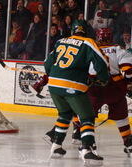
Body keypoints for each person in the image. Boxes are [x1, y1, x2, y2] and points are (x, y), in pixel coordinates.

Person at [44, 20, 109, 166]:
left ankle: (56, 146)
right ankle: (87, 149)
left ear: (73, 31)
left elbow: (47, 63)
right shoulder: (88, 42)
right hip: (72, 85)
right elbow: (102, 63)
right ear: (86, 31)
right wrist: (104, 79)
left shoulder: (61, 41)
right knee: (87, 116)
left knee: (65, 114)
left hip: (54, 85)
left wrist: (54, 76)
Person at [87, 28, 132, 155]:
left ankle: (88, 143)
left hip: (95, 88)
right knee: (121, 117)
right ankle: (128, 143)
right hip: (115, 89)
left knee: (87, 116)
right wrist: (129, 83)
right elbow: (128, 71)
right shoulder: (118, 48)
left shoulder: (91, 49)